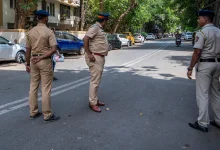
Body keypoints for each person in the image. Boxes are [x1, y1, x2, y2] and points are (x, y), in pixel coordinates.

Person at [187, 10, 220, 132]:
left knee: (202, 94)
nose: (198, 20)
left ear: (205, 19)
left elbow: (197, 52)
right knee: (216, 93)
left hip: (205, 65)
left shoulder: (202, 33)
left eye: (199, 18)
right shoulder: (219, 32)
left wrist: (190, 68)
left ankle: (202, 123)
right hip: (217, 64)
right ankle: (218, 120)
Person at [25, 10, 60, 122]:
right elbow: (54, 49)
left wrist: (27, 64)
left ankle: (33, 112)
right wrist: (42, 57)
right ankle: (47, 114)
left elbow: (28, 50)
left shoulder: (30, 32)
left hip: (33, 60)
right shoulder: (49, 32)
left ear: (37, 18)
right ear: (46, 19)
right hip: (44, 61)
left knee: (33, 86)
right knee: (45, 88)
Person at [83, 13, 110, 112]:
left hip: (99, 57)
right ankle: (92, 103)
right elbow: (85, 38)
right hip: (95, 57)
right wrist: (89, 54)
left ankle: (95, 99)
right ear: (105, 21)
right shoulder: (95, 27)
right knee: (95, 80)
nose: (107, 23)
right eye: (107, 21)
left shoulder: (99, 29)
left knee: (97, 80)